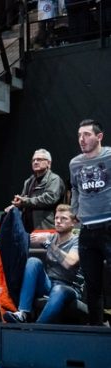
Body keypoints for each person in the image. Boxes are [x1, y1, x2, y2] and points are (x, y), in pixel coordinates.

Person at [3, 205, 83, 324]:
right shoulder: (51, 237)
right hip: (48, 284)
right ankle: (23, 313)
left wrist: (47, 243)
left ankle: (37, 329)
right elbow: (21, 239)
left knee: (58, 289)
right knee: (33, 262)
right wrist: (13, 217)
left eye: (64, 218)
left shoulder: (78, 240)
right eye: (56, 218)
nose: (58, 221)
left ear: (74, 223)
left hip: (69, 287)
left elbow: (69, 262)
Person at [68, 119, 111, 326]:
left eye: (86, 134)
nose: (81, 139)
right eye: (79, 135)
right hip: (87, 230)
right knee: (92, 286)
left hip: (109, 226)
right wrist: (75, 210)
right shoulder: (75, 163)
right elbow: (75, 188)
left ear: (99, 136)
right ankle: (96, 330)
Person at [8, 149, 66, 232]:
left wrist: (25, 201)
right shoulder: (29, 181)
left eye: (39, 159)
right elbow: (24, 199)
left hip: (45, 227)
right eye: (33, 160)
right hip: (26, 227)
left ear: (48, 163)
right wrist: (16, 204)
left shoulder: (54, 179)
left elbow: (49, 199)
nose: (35, 162)